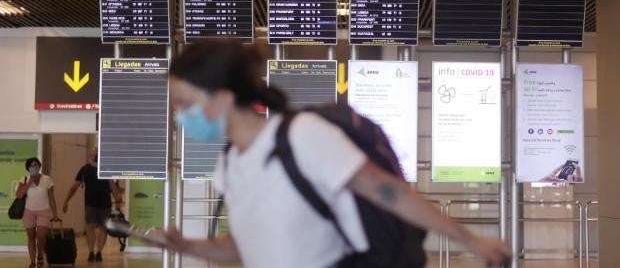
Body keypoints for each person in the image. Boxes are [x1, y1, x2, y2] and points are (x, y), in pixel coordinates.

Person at [149, 40, 511, 267]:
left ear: (223, 99)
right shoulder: (230, 163)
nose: (177, 113)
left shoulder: (300, 136)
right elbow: (251, 246)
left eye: (184, 103)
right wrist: (189, 246)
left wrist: (471, 240)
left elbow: (388, 191)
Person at [62, 147, 122, 263]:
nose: (96, 154)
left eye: (98, 153)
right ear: (90, 154)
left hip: (105, 204)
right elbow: (74, 187)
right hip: (90, 204)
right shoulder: (85, 170)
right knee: (90, 227)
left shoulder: (106, 169)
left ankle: (99, 252)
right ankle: (91, 252)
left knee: (103, 228)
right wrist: (66, 201)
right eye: (94, 152)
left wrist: (118, 200)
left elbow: (112, 187)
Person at [16, 158, 59, 268]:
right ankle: (32, 261)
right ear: (28, 168)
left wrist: (55, 214)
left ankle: (40, 255)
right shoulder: (24, 179)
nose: (34, 167)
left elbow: (52, 198)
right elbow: (19, 195)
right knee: (31, 237)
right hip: (28, 211)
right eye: (31, 166)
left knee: (41, 235)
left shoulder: (47, 179)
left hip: (43, 211)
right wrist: (29, 182)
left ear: (39, 166)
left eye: (36, 165)